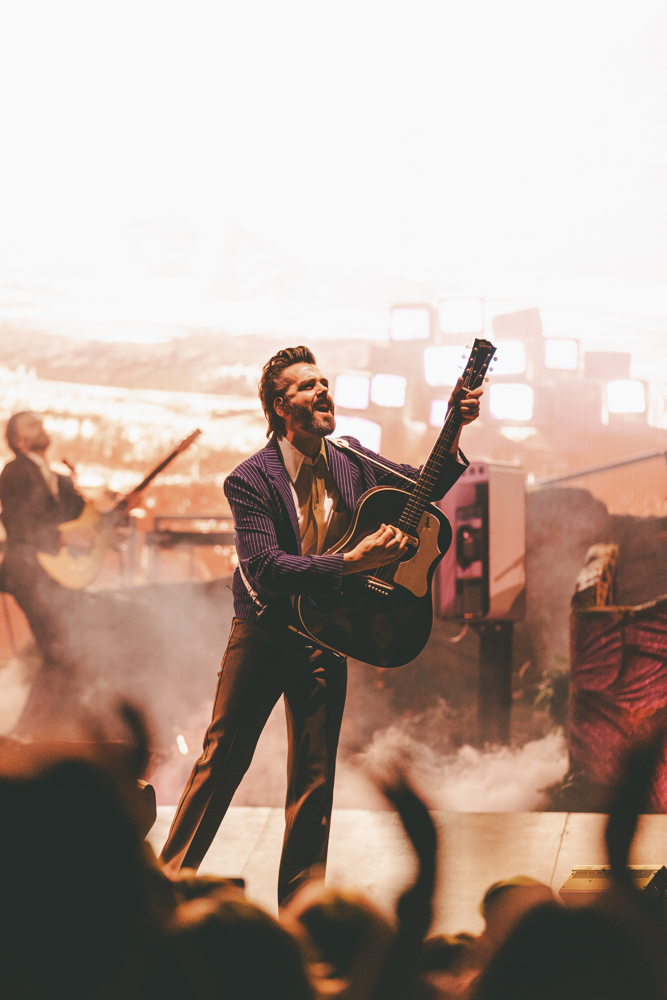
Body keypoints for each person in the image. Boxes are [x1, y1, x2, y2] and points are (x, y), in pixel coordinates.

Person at [159, 345, 482, 906]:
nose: (323, 392)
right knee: (221, 763)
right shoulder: (250, 479)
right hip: (262, 635)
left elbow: (423, 486)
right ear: (279, 405)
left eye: (325, 382)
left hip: (325, 638)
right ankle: (162, 890)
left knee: (314, 785)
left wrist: (452, 425)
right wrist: (351, 562)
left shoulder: (351, 458)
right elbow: (265, 568)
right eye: (308, 386)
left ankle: (304, 915)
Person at [0, 411, 90, 735]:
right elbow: (20, 525)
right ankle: (26, 735)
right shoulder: (13, 472)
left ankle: (53, 732)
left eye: (40, 422)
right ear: (19, 441)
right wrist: (63, 537)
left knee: (69, 650)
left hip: (55, 577)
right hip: (27, 574)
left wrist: (116, 509)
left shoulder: (60, 479)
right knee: (60, 651)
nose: (41, 427)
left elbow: (84, 520)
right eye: (31, 425)